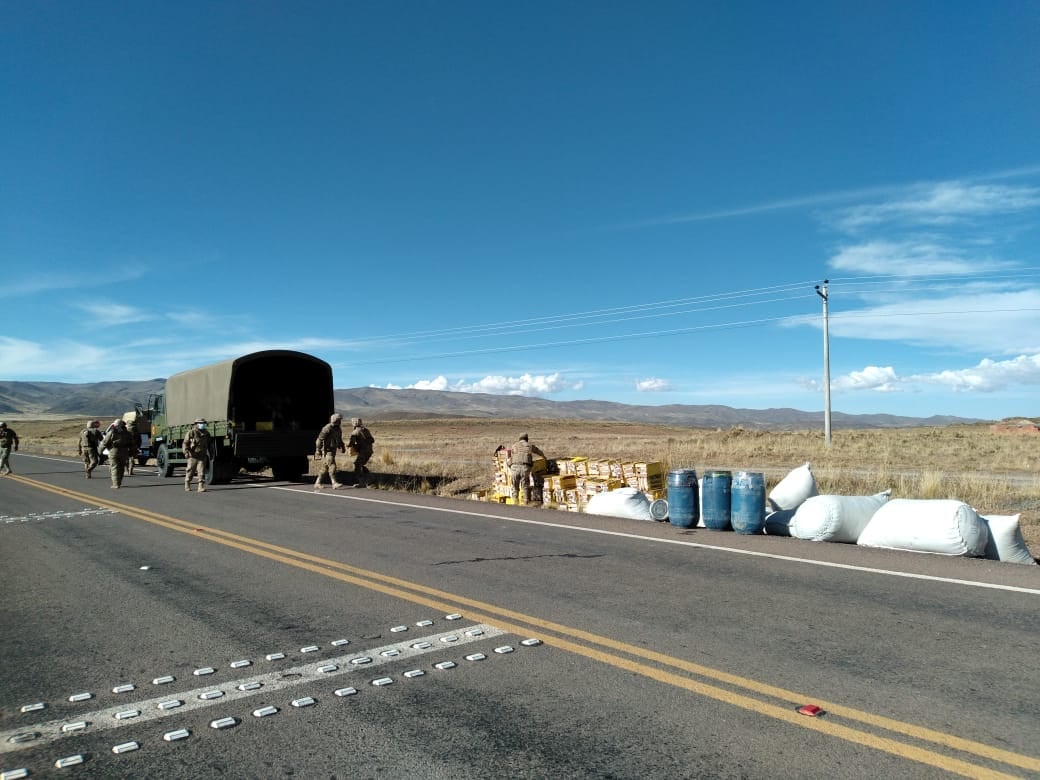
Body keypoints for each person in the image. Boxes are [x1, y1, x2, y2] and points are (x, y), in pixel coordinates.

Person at [509, 433, 545, 505]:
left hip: (514, 468)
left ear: (519, 439)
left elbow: (510, 458)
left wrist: (510, 466)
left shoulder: (514, 446)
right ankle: (525, 503)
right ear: (527, 439)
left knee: (515, 486)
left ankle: (515, 503)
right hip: (524, 468)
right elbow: (538, 451)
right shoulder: (529, 446)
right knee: (525, 486)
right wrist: (544, 457)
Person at [100, 419, 135, 489]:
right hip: (124, 452)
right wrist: (132, 452)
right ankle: (119, 482)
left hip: (114, 452)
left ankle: (116, 484)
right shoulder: (127, 433)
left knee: (114, 467)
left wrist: (100, 452)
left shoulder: (111, 433)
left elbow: (104, 443)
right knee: (121, 468)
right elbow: (132, 444)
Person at [314, 413, 345, 490]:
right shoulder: (327, 428)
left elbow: (339, 439)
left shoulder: (338, 428)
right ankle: (334, 483)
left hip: (333, 450)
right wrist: (318, 450)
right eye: (339, 420)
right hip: (327, 451)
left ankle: (317, 483)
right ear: (335, 420)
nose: (340, 421)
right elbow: (319, 439)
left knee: (324, 468)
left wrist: (342, 446)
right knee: (332, 465)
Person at [183, 418, 211, 493]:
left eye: (204, 423)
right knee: (190, 471)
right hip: (193, 456)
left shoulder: (206, 433)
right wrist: (186, 452)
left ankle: (200, 486)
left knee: (201, 472)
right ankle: (187, 484)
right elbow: (185, 443)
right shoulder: (191, 433)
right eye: (201, 423)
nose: (203, 425)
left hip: (202, 456)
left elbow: (209, 444)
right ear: (196, 424)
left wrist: (211, 453)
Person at [348, 417, 375, 487]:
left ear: (354, 423)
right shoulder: (366, 430)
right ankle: (370, 478)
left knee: (356, 465)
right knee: (361, 464)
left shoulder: (355, 432)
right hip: (369, 451)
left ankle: (362, 482)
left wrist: (348, 445)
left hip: (363, 451)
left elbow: (351, 443)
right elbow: (372, 440)